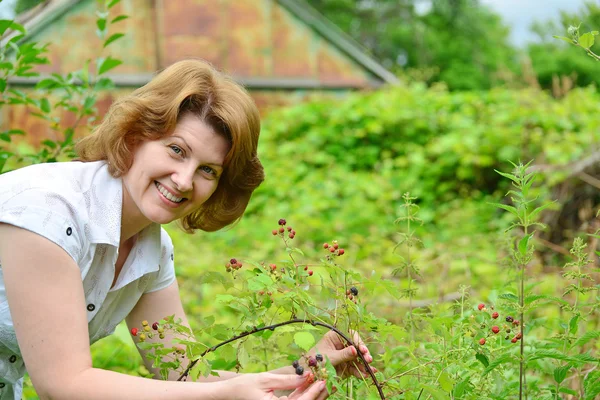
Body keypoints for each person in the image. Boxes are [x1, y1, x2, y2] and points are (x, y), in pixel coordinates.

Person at [0, 59, 374, 400]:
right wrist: (227, 396)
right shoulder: (48, 212)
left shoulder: (151, 249)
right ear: (136, 135)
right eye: (176, 150)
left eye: (208, 170)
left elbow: (185, 376)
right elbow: (64, 383)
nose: (183, 180)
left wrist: (306, 370)